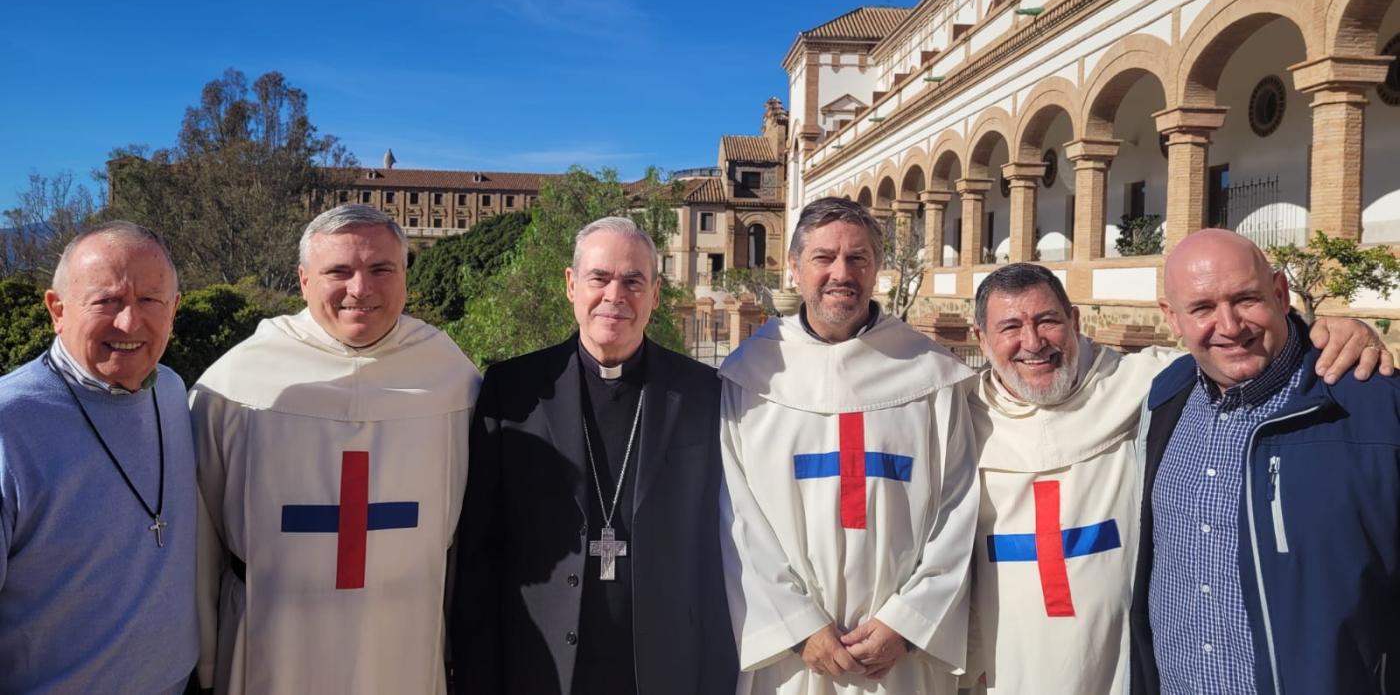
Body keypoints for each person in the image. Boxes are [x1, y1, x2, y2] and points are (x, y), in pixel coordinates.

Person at [962, 262, 1390, 694]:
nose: (1033, 342)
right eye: (1010, 327)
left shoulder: (1146, 383)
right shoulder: (960, 418)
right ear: (981, 339)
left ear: (1074, 320)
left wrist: (1335, 332)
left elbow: (1236, 348)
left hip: (1124, 663)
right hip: (1013, 661)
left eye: (1048, 320)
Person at [191, 204, 481, 694]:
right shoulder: (236, 384)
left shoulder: (452, 379)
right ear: (304, 281)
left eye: (381, 269)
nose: (360, 289)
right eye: (339, 271)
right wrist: (203, 661)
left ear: (405, 276)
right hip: (274, 643)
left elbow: (475, 538)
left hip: (404, 643)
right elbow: (199, 539)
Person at [451, 216, 736, 694]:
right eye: (599, 278)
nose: (614, 296)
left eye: (633, 282)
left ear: (655, 294)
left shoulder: (701, 392)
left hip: (665, 669)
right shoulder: (513, 391)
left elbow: (717, 546)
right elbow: (480, 553)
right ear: (571, 284)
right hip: (540, 669)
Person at [718, 197, 978, 695]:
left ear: (877, 268)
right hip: (793, 661)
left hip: (899, 660)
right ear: (794, 267)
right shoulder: (752, 376)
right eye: (824, 257)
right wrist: (797, 627)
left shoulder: (931, 375)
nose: (842, 273)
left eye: (858, 258)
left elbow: (959, 506)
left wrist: (908, 622)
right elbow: (737, 515)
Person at [1130, 228, 1400, 694]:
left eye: (1246, 299)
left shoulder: (1373, 407)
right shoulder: (1165, 397)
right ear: (1172, 318)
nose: (1230, 326)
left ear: (1279, 292)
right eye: (1202, 308)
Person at [0, 221, 195, 693]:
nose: (129, 323)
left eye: (150, 300)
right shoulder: (10, 423)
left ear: (174, 309)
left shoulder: (171, 391)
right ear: (57, 310)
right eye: (107, 300)